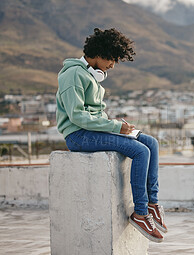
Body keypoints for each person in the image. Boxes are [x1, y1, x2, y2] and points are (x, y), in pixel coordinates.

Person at [55, 28, 167, 243]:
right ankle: (140, 214)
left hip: (92, 131)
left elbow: (94, 114)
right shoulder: (73, 75)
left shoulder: (88, 75)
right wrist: (115, 127)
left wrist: (116, 125)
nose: (113, 65)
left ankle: (153, 203)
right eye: (112, 59)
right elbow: (77, 116)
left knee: (150, 142)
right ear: (98, 53)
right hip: (78, 136)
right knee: (140, 151)